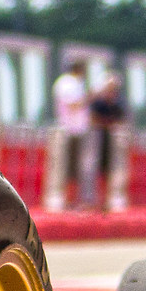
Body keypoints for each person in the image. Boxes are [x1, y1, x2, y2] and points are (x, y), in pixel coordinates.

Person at [52, 60, 93, 208]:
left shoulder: (75, 84)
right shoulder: (66, 83)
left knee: (75, 168)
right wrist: (89, 97)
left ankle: (73, 200)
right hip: (69, 131)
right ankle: (65, 200)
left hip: (77, 131)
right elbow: (73, 105)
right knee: (68, 168)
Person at [88, 66, 126, 210]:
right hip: (97, 141)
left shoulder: (118, 103)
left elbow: (121, 120)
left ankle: (112, 200)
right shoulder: (98, 103)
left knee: (113, 171)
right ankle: (94, 201)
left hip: (112, 143)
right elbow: (94, 119)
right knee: (93, 169)